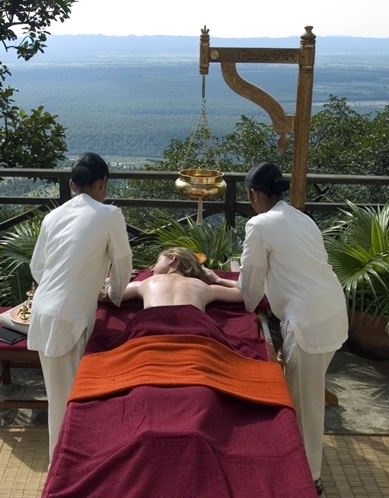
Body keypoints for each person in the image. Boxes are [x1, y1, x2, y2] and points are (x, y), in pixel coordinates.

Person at [237, 162, 348, 496]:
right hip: (331, 311)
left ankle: (309, 479)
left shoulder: (260, 224)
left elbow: (251, 286)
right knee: (305, 396)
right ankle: (300, 466)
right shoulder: (302, 218)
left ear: (254, 194)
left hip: (308, 322)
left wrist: (243, 300)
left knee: (306, 404)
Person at [28, 152, 133, 463]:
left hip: (46, 310)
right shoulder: (109, 214)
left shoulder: (53, 216)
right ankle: (61, 473)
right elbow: (123, 263)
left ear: (73, 184)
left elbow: (38, 268)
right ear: (102, 183)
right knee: (66, 403)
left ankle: (71, 465)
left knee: (61, 396)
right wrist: (113, 295)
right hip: (67, 318)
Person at [117, 247, 242, 310]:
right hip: (195, 327)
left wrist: (113, 281)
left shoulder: (147, 282)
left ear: (173, 259)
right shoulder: (203, 287)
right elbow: (246, 293)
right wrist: (218, 280)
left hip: (152, 323)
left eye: (157, 262)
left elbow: (109, 295)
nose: (152, 268)